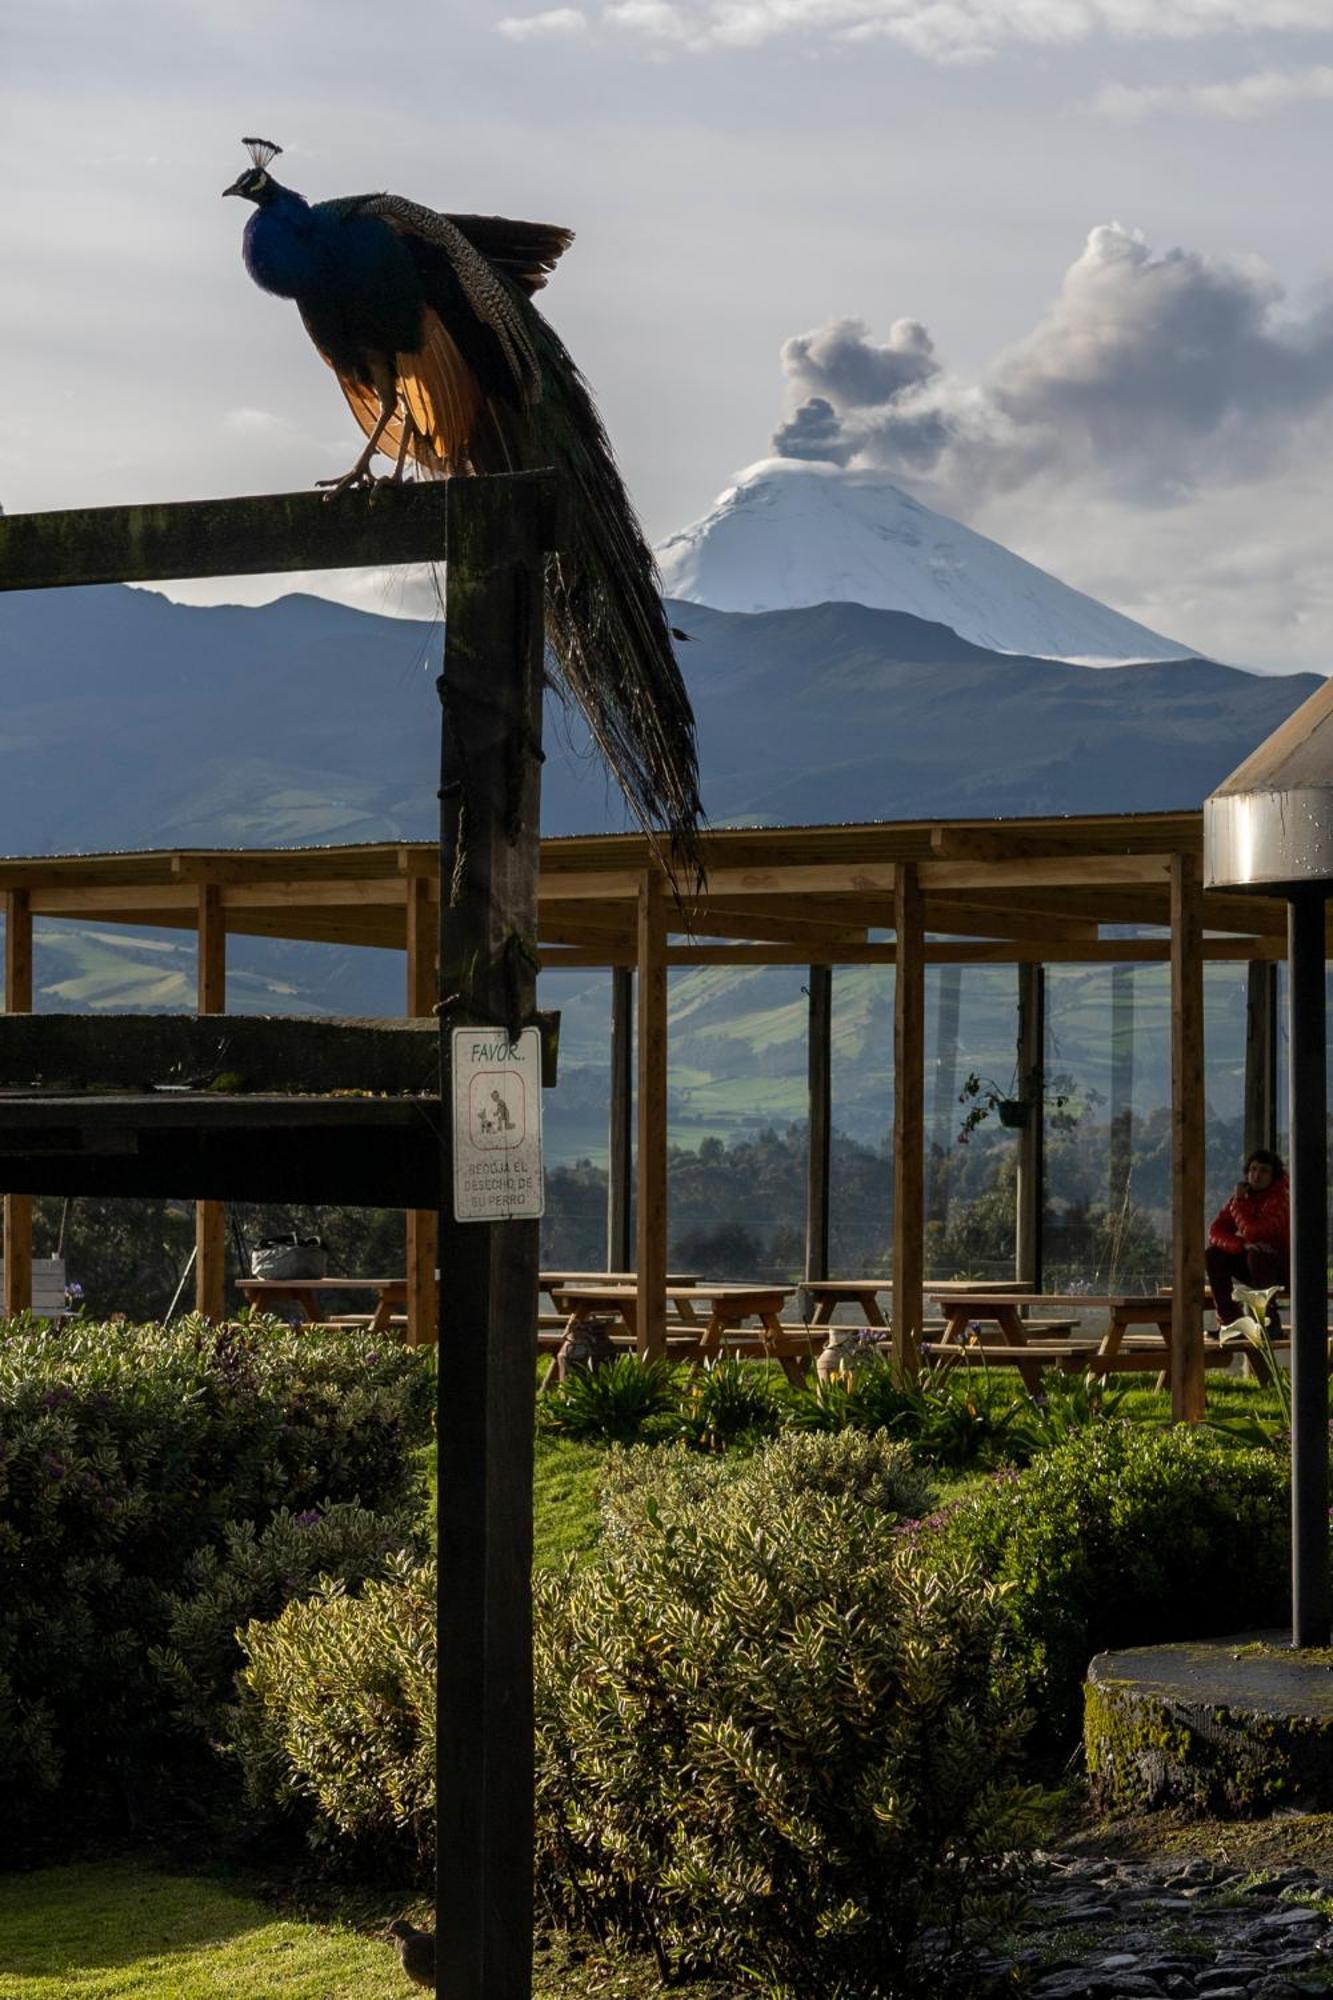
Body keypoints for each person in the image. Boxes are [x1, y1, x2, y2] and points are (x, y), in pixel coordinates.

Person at [1205, 1148, 1289, 1329]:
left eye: (1264, 1171)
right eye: (1253, 1169)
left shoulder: (1281, 1198)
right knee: (1214, 1255)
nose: (1257, 1175)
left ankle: (1270, 1323)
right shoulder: (1244, 1197)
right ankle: (1231, 1321)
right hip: (1257, 1266)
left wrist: (1239, 1203)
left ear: (1273, 1176)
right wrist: (1241, 1245)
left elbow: (1255, 1232)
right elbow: (1215, 1231)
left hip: (1287, 1270)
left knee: (1257, 1255)